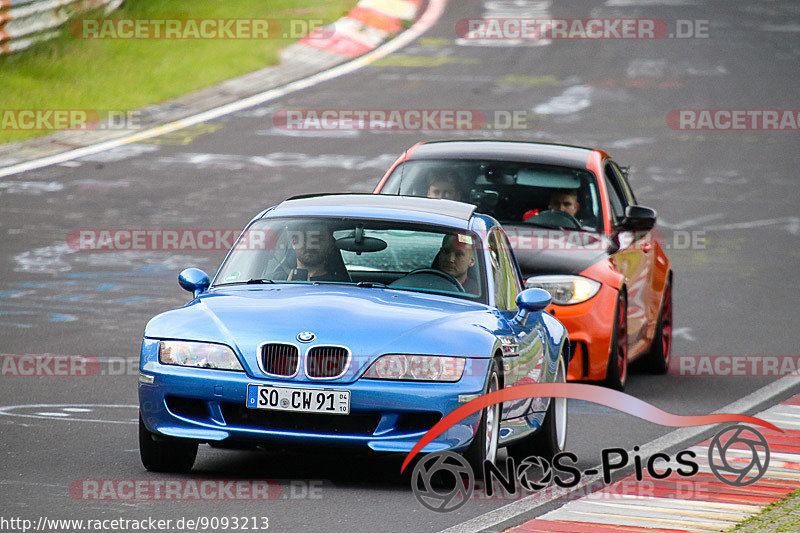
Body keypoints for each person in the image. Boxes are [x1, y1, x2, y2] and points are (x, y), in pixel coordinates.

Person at [275, 222, 350, 282]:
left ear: (330, 245)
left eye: (318, 239)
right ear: (294, 243)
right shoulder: (272, 281)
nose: (310, 245)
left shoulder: (340, 286)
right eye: (304, 238)